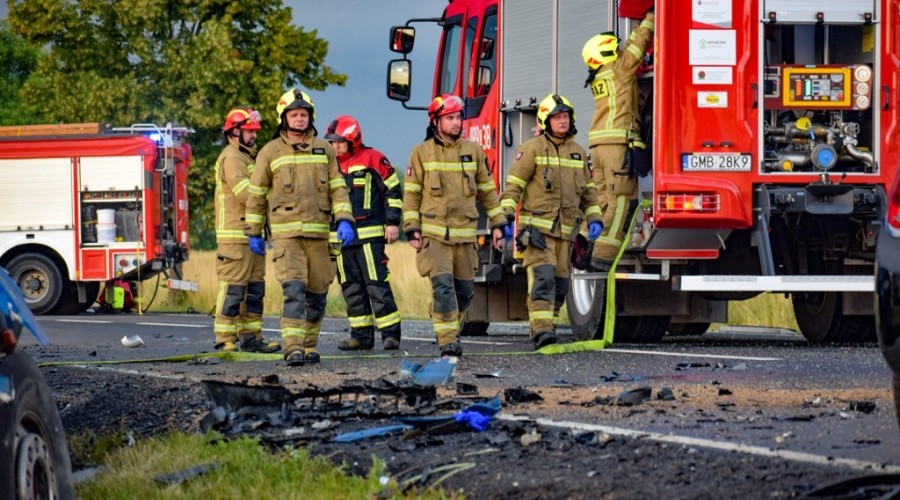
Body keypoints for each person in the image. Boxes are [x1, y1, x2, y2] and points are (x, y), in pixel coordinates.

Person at [244, 88, 355, 367]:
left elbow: (338, 188)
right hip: (286, 237)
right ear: (283, 118)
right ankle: (292, 347)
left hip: (319, 235)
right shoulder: (270, 152)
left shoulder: (325, 149)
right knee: (294, 290)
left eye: (303, 114)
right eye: (293, 115)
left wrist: (344, 219)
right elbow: (256, 194)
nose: (299, 119)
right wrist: (253, 232)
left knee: (318, 294)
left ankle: (308, 345)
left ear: (310, 117)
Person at [402, 94, 507, 358]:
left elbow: (488, 191)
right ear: (436, 121)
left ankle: (445, 323)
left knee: (465, 291)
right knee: (444, 288)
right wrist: (412, 228)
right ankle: (447, 339)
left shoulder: (473, 151)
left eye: (458, 117)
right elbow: (411, 193)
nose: (456, 122)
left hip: (465, 235)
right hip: (434, 236)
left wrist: (498, 224)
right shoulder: (420, 152)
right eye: (450, 118)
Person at [500, 94, 602, 350]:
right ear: (546, 120)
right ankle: (541, 331)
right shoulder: (531, 149)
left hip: (566, 235)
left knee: (560, 286)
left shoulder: (579, 154)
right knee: (542, 280)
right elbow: (513, 187)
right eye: (557, 117)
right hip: (538, 233)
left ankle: (550, 329)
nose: (562, 121)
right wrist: (507, 217)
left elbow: (589, 192)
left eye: (565, 116)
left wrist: (594, 218)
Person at [583, 8, 654, 271]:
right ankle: (603, 257)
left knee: (601, 202)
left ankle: (584, 245)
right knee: (621, 203)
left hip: (600, 146)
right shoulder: (619, 70)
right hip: (615, 147)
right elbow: (636, 48)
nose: (621, 52)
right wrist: (651, 18)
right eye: (616, 50)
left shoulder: (601, 75)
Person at [324, 115, 403, 351]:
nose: (334, 146)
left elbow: (393, 191)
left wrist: (392, 222)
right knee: (351, 288)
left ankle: (390, 335)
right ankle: (361, 336)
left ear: (353, 140)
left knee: (377, 285)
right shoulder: (328, 166)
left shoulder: (373, 159)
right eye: (331, 142)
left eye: (339, 141)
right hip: (339, 238)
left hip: (369, 237)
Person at [211, 107, 280, 353]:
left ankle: (251, 337)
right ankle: (224, 337)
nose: (254, 135)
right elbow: (245, 193)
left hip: (252, 235)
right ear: (234, 132)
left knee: (254, 290)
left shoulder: (249, 157)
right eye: (249, 131)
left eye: (254, 131)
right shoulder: (232, 158)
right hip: (235, 237)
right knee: (233, 288)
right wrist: (275, 197)